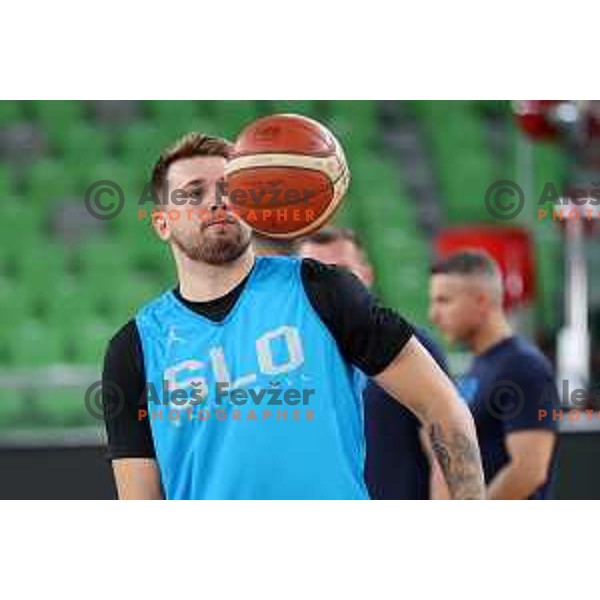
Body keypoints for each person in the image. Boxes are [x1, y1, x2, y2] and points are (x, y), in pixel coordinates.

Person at [101, 131, 485, 500]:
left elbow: (444, 406)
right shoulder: (134, 347)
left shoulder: (323, 290)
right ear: (162, 223)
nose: (217, 202)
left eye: (231, 189)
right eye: (193, 194)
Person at [296, 226, 448, 499]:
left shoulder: (413, 349)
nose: (330, 283)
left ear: (367, 274)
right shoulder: (281, 358)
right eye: (314, 273)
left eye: (341, 271)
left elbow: (445, 450)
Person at [429, 250, 560, 499]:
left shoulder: (525, 367)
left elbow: (529, 471)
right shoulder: (481, 364)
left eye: (444, 301)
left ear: (481, 301)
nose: (433, 315)